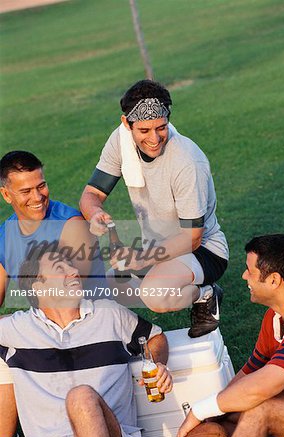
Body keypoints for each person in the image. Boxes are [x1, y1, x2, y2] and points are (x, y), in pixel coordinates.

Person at [80, 79, 229, 339]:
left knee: (156, 295)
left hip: (204, 250)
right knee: (103, 289)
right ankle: (130, 342)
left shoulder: (186, 161)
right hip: (157, 247)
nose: (154, 138)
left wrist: (141, 258)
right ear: (127, 124)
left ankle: (206, 295)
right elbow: (91, 195)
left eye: (161, 127)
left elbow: (191, 238)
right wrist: (95, 214)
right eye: (145, 130)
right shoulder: (120, 141)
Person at [0, 244, 172, 437]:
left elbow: (155, 338)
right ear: (38, 286)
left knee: (81, 397)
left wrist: (157, 364)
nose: (73, 272)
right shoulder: (17, 329)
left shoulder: (109, 315)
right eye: (59, 268)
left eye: (71, 266)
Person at [0, 150, 107, 437]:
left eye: (41, 185)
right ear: (6, 195)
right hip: (46, 323)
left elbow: (70, 294)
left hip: (89, 320)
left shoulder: (70, 224)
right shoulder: (5, 234)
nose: (37, 196)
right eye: (25, 190)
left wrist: (18, 324)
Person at [175, 234, 284, 437]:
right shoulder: (274, 317)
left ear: (274, 280)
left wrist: (199, 411)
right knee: (228, 415)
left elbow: (263, 385)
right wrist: (215, 414)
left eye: (250, 271)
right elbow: (249, 375)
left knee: (262, 408)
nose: (244, 276)